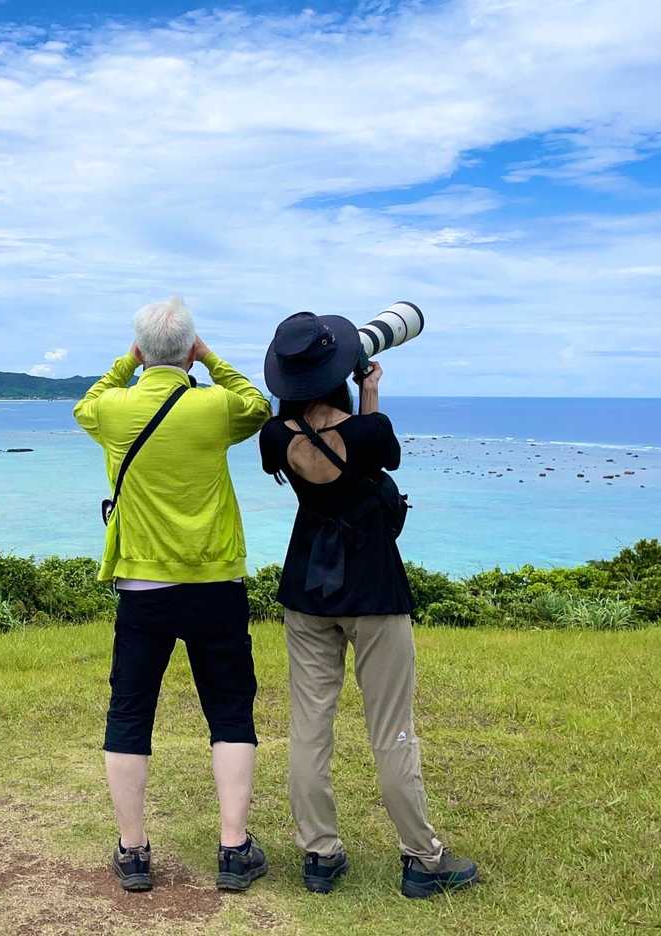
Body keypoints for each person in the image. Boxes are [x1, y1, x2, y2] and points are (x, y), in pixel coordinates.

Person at [258, 311, 480, 900]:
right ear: (342, 374)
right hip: (374, 590)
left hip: (308, 589)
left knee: (310, 727)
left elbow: (315, 451)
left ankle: (320, 855)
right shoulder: (370, 430)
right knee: (391, 729)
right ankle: (423, 859)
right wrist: (370, 388)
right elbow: (368, 449)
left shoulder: (274, 437)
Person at [73, 295, 272, 894]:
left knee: (130, 713)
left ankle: (133, 852)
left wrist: (126, 363)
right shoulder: (214, 407)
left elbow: (85, 404)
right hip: (215, 582)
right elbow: (257, 404)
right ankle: (233, 848)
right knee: (230, 712)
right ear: (190, 349)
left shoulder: (114, 410)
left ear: (140, 350)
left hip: (143, 586)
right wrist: (209, 359)